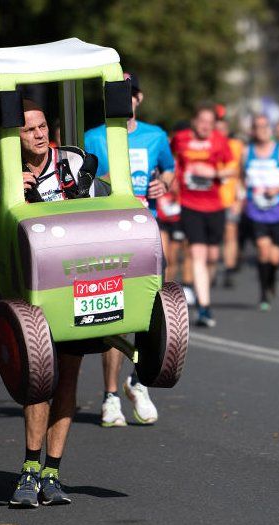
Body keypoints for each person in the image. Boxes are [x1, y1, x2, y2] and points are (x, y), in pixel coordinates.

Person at [5, 100, 112, 508]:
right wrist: (19, 199)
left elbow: (103, 198)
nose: (37, 133)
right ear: (15, 136)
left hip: (75, 283)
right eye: (29, 128)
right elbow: (0, 224)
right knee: (39, 382)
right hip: (33, 292)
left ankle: (52, 473)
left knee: (68, 378)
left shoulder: (72, 162)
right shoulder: (7, 174)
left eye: (42, 126)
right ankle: (28, 472)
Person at [84, 72, 172, 428]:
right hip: (107, 236)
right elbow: (78, 180)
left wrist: (163, 183)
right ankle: (109, 398)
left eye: (129, 94)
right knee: (113, 314)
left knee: (151, 311)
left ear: (138, 98)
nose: (124, 100)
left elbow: (169, 169)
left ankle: (138, 381)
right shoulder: (92, 137)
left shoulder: (156, 136)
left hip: (145, 233)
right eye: (116, 94)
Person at [171, 104, 236, 327]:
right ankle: (205, 307)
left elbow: (232, 168)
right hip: (190, 205)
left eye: (210, 123)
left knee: (212, 257)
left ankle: (203, 293)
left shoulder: (219, 140)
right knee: (197, 255)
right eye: (202, 122)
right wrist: (172, 181)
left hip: (215, 205)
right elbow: (170, 161)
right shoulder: (180, 139)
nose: (206, 126)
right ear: (194, 121)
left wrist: (214, 172)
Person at [242, 115, 279, 310]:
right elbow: (242, 178)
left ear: (270, 129)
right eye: (258, 127)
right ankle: (263, 294)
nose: (262, 130)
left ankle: (272, 280)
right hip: (256, 210)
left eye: (265, 127)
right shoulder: (247, 152)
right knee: (263, 251)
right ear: (253, 130)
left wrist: (278, 189)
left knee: (275, 257)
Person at [215, 115, 244, 289]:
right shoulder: (208, 147)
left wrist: (240, 197)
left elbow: (242, 173)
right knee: (213, 238)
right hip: (210, 200)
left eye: (222, 129)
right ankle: (211, 269)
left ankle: (229, 270)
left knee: (230, 234)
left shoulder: (237, 146)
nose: (220, 132)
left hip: (230, 199)